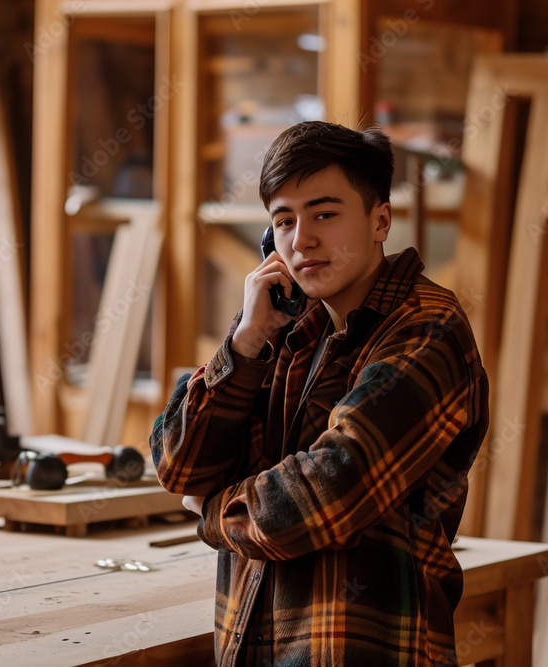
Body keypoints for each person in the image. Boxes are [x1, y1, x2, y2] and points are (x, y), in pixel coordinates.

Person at [150, 120, 489, 666]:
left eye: (325, 215)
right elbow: (178, 466)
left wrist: (213, 512)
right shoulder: (278, 326)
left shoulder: (428, 329)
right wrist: (245, 342)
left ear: (381, 220)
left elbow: (332, 489)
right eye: (284, 221)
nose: (301, 239)